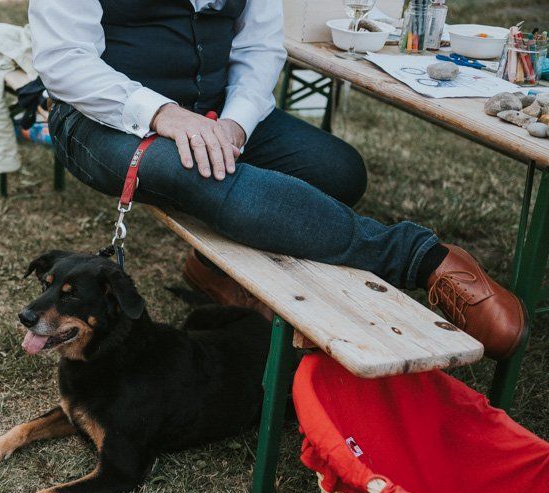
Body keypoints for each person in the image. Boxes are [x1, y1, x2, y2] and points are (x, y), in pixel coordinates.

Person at [29, 0, 526, 360]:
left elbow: (259, 48)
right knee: (204, 176)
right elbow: (64, 61)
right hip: (103, 119)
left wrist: (235, 123)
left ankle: (210, 268)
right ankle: (422, 260)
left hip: (217, 110)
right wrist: (163, 113)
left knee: (337, 170)